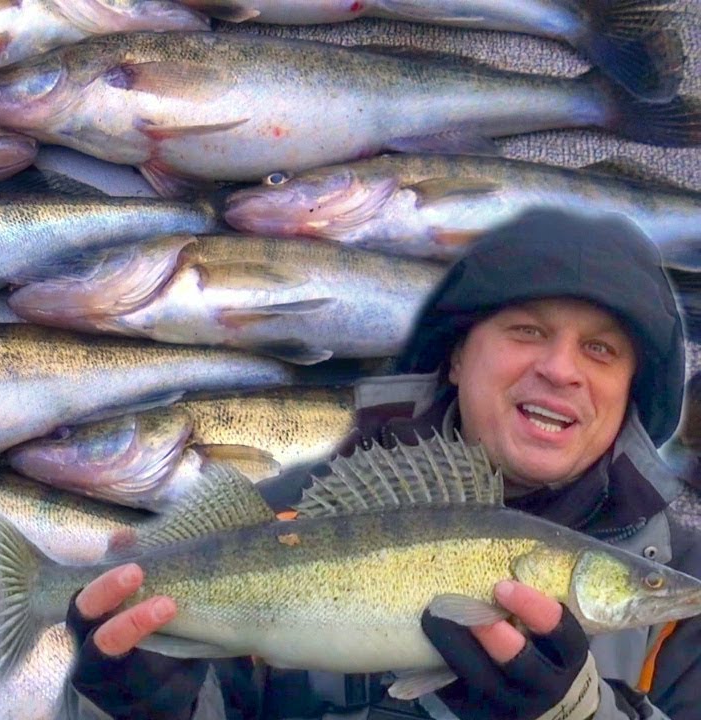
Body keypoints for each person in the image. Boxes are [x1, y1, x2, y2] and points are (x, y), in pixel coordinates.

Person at [61, 208, 701, 720]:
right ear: (455, 357)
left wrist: (578, 714)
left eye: (600, 349)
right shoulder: (291, 511)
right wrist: (133, 708)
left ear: (631, 393)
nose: (561, 369)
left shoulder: (686, 578)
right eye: (527, 331)